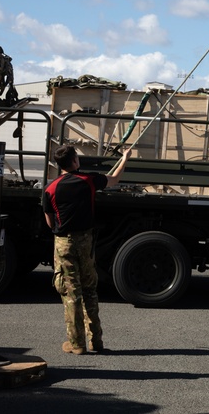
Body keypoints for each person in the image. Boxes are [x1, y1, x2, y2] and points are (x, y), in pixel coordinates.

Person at [43, 144, 130, 354]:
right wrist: (125, 158)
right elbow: (115, 179)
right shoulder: (89, 180)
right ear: (74, 162)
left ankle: (76, 343)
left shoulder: (51, 188)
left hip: (64, 242)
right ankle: (96, 341)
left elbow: (49, 221)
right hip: (86, 241)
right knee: (90, 289)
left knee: (70, 291)